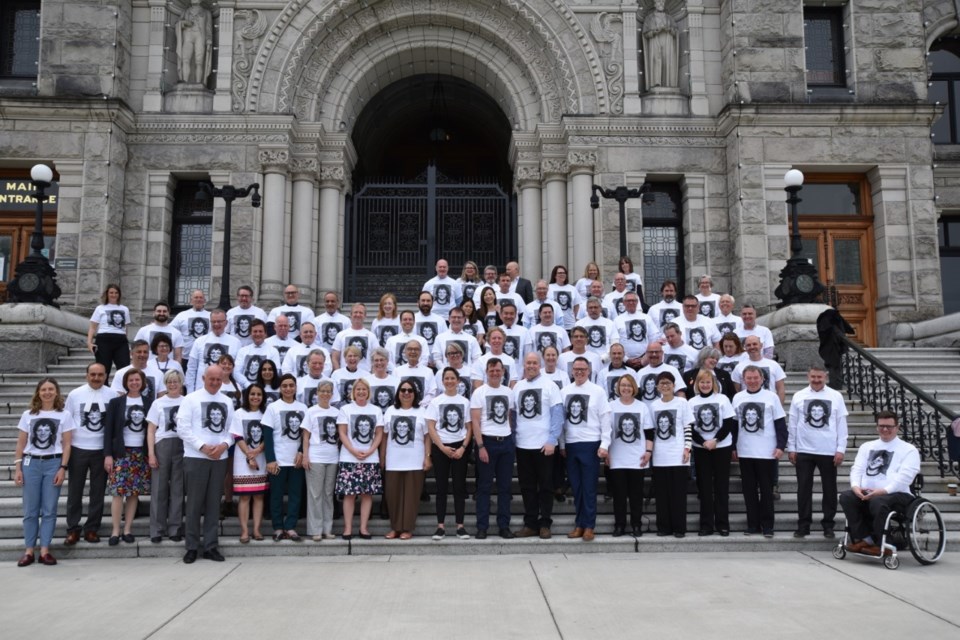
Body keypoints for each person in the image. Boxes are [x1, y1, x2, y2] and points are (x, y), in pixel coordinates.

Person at [839, 411, 921, 556]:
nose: (885, 429)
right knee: (846, 496)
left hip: (898, 494)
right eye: (881, 426)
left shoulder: (909, 450)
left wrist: (882, 491)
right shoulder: (867, 446)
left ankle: (884, 544)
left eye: (889, 426)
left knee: (878, 501)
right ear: (877, 427)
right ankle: (866, 539)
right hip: (868, 492)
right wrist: (855, 487)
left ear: (897, 427)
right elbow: (857, 469)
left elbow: (905, 478)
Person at [177, 364, 235, 563]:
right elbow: (182, 428)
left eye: (219, 379)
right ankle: (192, 546)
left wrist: (223, 445)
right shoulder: (191, 399)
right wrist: (202, 446)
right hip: (196, 457)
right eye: (212, 379)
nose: (215, 382)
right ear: (204, 378)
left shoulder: (227, 401)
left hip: (219, 458)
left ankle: (211, 546)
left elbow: (232, 430)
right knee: (193, 503)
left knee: (213, 504)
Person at [14, 378, 75, 566]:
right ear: (38, 393)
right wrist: (18, 467)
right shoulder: (28, 415)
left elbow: (66, 444)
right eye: (43, 389)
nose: (47, 392)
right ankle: (29, 550)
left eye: (51, 389)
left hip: (53, 463)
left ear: (56, 392)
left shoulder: (64, 415)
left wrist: (63, 468)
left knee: (49, 509)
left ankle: (45, 550)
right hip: (31, 464)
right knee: (30, 510)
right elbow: (21, 443)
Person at [788, 366, 848, 538]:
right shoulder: (799, 396)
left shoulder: (836, 396)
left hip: (828, 451)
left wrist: (840, 449)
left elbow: (841, 425)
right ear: (808, 376)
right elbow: (792, 424)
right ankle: (803, 524)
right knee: (803, 489)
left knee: (830, 490)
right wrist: (791, 447)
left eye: (819, 377)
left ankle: (828, 525)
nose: (816, 380)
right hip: (803, 450)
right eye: (813, 376)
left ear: (826, 377)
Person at [513, 352, 564, 538]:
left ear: (539, 365)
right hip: (522, 445)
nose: (531, 366)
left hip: (544, 446)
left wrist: (552, 440)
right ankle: (530, 524)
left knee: (545, 486)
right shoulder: (517, 387)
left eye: (535, 363)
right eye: (528, 363)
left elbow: (558, 414)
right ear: (524, 365)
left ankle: (545, 524)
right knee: (527, 487)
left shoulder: (550, 386)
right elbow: (513, 416)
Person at [560, 357, 611, 541]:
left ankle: (589, 525)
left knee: (589, 488)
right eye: (576, 369)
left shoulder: (597, 391)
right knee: (577, 487)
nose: (579, 372)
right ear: (572, 371)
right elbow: (562, 422)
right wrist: (563, 444)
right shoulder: (565, 391)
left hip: (591, 444)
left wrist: (604, 444)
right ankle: (579, 524)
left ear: (589, 370)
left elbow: (606, 419)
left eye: (583, 369)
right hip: (572, 445)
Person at [733, 365, 787, 538]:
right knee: (748, 491)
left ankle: (768, 525)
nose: (752, 381)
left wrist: (781, 446)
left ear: (762, 379)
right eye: (749, 378)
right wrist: (733, 447)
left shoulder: (772, 397)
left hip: (767, 452)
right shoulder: (737, 397)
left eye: (755, 378)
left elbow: (780, 425)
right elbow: (733, 426)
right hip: (745, 451)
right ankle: (752, 525)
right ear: (744, 380)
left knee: (766, 491)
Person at [63, 363, 112, 546]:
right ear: (86, 375)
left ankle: (92, 529)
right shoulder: (75, 395)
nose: (96, 378)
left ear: (105, 376)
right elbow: (67, 422)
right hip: (78, 449)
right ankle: (72, 529)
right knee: (75, 491)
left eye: (100, 374)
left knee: (97, 492)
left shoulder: (112, 394)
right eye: (93, 374)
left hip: (101, 450)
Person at [104, 368, 152, 546]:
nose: (134, 383)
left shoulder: (148, 402)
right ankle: (115, 530)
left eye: (137, 380)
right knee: (118, 493)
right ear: (126, 382)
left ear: (142, 382)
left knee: (134, 493)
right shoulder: (116, 402)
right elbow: (108, 430)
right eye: (131, 380)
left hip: (140, 453)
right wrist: (108, 454)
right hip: (121, 453)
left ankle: (128, 529)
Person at [470, 359, 517, 539]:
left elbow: (509, 417)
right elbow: (475, 420)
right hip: (487, 442)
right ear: (486, 371)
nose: (495, 373)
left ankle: (503, 526)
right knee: (484, 487)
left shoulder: (509, 392)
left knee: (505, 487)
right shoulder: (479, 392)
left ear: (503, 371)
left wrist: (510, 439)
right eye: (492, 370)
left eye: (498, 370)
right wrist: (480, 445)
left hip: (505, 442)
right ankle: (482, 526)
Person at [426, 367, 474, 540]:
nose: (449, 381)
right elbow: (431, 427)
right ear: (442, 381)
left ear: (458, 380)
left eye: (452, 378)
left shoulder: (465, 402)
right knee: (441, 487)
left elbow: (469, 428)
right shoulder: (436, 402)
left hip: (460, 448)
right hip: (441, 448)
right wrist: (441, 447)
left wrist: (463, 447)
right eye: (446, 378)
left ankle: (460, 526)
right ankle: (440, 526)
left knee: (459, 487)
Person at [687, 369, 736, 537]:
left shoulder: (722, 399)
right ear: (697, 384)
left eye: (708, 382)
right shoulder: (691, 402)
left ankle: (723, 524)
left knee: (722, 487)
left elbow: (729, 423)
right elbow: (690, 427)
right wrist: (703, 442)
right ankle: (706, 525)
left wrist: (715, 440)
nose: (705, 385)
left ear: (713, 384)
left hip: (721, 447)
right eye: (702, 382)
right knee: (705, 488)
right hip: (701, 449)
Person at [259, 373, 307, 542]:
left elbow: (306, 435)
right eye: (285, 385)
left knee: (295, 495)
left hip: (296, 460)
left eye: (291, 385)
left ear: (295, 387)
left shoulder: (303, 408)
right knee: (276, 495)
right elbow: (267, 435)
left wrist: (302, 451)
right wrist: (270, 459)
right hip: (278, 460)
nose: (288, 388)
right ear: (280, 388)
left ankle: (291, 526)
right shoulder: (273, 408)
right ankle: (278, 527)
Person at [336, 378, 385, 540]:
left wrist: (371, 450)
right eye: (358, 389)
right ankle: (348, 528)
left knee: (367, 494)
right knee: (349, 495)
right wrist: (353, 450)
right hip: (349, 458)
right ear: (353, 392)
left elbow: (379, 433)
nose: (361, 392)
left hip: (370, 459)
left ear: (368, 391)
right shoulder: (345, 409)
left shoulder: (376, 410)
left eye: (364, 389)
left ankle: (363, 528)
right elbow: (342, 433)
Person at [381, 382, 430, 539]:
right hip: (393, 460)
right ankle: (395, 528)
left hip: (415, 461)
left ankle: (407, 528)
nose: (406, 393)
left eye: (410, 390)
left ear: (415, 394)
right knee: (393, 496)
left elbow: (428, 437)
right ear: (398, 393)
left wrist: (427, 457)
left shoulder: (422, 411)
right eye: (403, 390)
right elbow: (384, 436)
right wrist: (382, 457)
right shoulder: (390, 410)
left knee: (411, 497)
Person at [607, 375, 654, 537]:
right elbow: (606, 432)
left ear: (634, 387)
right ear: (618, 388)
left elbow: (649, 432)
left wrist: (648, 452)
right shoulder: (610, 406)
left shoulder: (642, 407)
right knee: (619, 495)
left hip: (637, 458)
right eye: (622, 385)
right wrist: (605, 452)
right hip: (616, 458)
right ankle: (619, 525)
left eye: (628, 385)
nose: (625, 388)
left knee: (636, 495)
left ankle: (636, 525)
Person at [649, 372, 694, 537]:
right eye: (661, 383)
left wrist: (687, 448)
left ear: (674, 385)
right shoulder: (654, 405)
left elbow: (687, 427)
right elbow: (652, 431)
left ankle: (679, 528)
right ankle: (664, 527)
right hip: (660, 456)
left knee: (678, 495)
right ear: (657, 387)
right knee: (662, 495)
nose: (665, 386)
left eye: (668, 383)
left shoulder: (682, 403)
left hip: (678, 456)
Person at [145, 370, 185, 544]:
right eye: (169, 381)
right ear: (165, 383)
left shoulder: (187, 401)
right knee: (159, 488)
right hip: (162, 445)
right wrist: (151, 453)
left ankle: (175, 527)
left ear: (181, 382)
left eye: (176, 381)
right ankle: (157, 529)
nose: (173, 384)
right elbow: (151, 429)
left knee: (178, 488)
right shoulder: (158, 403)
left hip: (182, 445)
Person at [230, 384, 268, 543]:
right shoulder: (239, 413)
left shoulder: (266, 413)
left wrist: (258, 451)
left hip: (261, 458)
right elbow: (237, 436)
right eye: (252, 394)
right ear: (247, 396)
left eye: (259, 394)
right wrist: (249, 456)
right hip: (242, 459)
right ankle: (245, 531)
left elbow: (269, 436)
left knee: (259, 496)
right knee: (245, 497)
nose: (255, 397)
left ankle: (257, 530)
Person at [303, 381, 340, 541]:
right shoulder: (311, 411)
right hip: (316, 457)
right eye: (322, 391)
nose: (325, 394)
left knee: (328, 494)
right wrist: (305, 455)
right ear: (317, 393)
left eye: (328, 391)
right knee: (315, 494)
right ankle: (315, 530)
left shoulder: (337, 412)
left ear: (332, 394)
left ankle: (327, 529)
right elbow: (305, 436)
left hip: (333, 457)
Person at [186, 309, 242, 393]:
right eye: (213, 322)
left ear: (226, 323)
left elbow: (237, 370)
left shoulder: (235, 342)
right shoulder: (199, 341)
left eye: (219, 321)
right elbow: (191, 368)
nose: (216, 324)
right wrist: (190, 391)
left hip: (226, 392)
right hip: (201, 390)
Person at [87, 283, 131, 376]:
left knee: (124, 368)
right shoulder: (100, 308)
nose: (113, 295)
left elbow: (126, 327)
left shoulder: (125, 309)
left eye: (116, 293)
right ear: (107, 294)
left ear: (119, 294)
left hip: (120, 340)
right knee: (104, 368)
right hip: (104, 339)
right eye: (111, 292)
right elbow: (93, 326)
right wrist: (89, 342)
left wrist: (125, 340)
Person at [732, 335, 786, 402]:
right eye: (748, 345)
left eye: (755, 344)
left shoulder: (774, 365)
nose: (752, 347)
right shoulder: (739, 367)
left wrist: (779, 408)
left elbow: (781, 389)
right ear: (745, 347)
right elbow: (737, 391)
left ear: (761, 345)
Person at [614, 291, 658, 369]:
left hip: (646, 361)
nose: (631, 303)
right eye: (628, 301)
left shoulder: (647, 318)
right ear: (624, 302)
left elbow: (654, 338)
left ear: (637, 302)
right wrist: (626, 360)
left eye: (633, 300)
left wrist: (644, 358)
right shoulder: (617, 320)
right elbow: (615, 343)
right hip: (625, 362)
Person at [235, 319, 282, 389]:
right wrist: (248, 385)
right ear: (250, 333)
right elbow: (236, 372)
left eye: (260, 331)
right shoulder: (242, 351)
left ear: (265, 333)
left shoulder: (273, 351)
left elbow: (276, 371)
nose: (258, 334)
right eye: (255, 331)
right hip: (246, 389)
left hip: (266, 390)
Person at [332, 303, 379, 371]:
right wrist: (338, 374)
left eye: (361, 313)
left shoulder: (371, 336)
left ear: (365, 316)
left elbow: (376, 357)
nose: (358, 315)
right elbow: (335, 358)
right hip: (345, 377)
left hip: (365, 377)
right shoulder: (341, 335)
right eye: (355, 312)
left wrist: (372, 375)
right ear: (350, 315)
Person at [171, 289, 210, 368]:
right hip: (185, 357)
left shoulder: (211, 316)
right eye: (196, 297)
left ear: (204, 300)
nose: (198, 299)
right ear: (191, 300)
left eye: (200, 297)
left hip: (205, 358)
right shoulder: (182, 315)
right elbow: (170, 330)